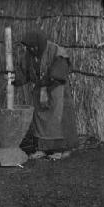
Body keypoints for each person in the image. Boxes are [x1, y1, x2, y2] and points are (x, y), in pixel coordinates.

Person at [15, 31, 78, 160]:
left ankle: (60, 149)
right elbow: (25, 73)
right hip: (40, 93)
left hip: (56, 90)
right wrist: (14, 80)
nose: (32, 49)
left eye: (34, 46)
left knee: (57, 119)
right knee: (40, 121)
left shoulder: (56, 51)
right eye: (29, 47)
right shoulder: (29, 55)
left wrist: (45, 82)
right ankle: (42, 149)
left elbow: (58, 73)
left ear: (40, 43)